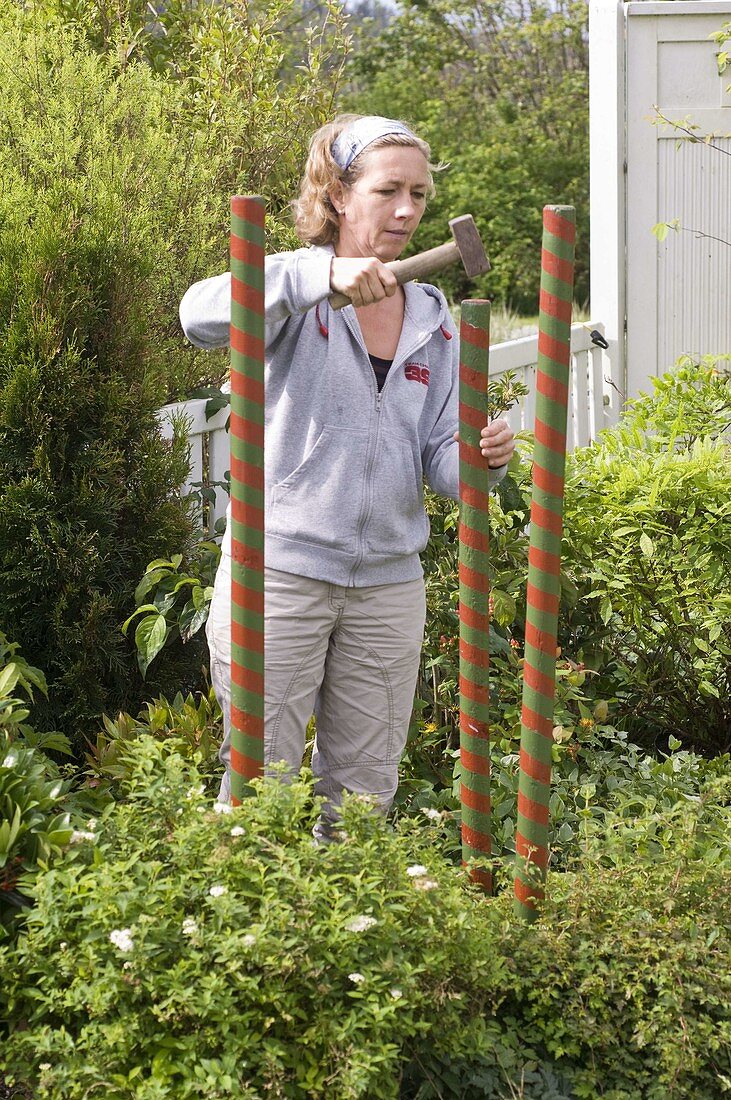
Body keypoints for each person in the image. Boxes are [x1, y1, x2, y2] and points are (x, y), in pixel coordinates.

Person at [179, 114, 515, 837]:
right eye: (387, 190)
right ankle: (244, 942)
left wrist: (480, 461)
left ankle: (345, 948)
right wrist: (319, 276)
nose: (405, 211)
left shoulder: (434, 319)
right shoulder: (288, 289)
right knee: (256, 787)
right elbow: (196, 315)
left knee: (363, 798)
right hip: (280, 573)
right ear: (336, 194)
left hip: (387, 587)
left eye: (419, 196)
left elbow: (441, 465)